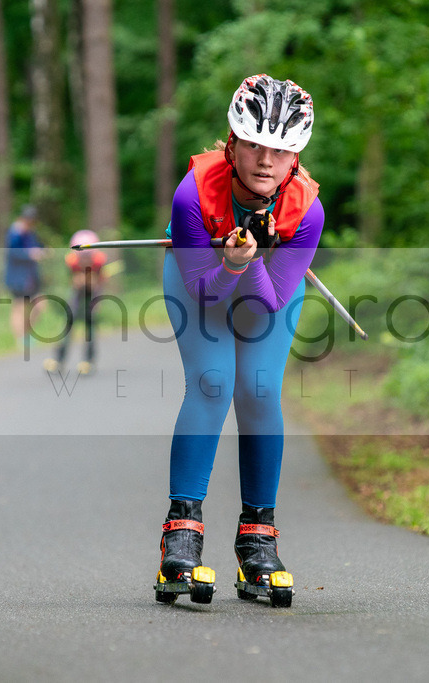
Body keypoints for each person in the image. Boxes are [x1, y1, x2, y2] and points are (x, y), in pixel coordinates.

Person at [155, 74, 322, 606]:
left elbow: (268, 302)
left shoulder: (306, 210)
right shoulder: (193, 193)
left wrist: (254, 257)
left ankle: (258, 539)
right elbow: (205, 293)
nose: (265, 159)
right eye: (254, 143)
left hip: (266, 288)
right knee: (211, 383)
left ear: (296, 156)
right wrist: (233, 260)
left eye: (280, 149)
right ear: (232, 143)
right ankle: (182, 532)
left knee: (257, 390)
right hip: (200, 277)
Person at [43, 230, 108, 375]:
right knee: (68, 325)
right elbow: (73, 281)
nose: (84, 259)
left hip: (92, 294)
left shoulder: (99, 261)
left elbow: (99, 282)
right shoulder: (72, 261)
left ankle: (89, 361)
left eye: (87, 255)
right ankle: (59, 360)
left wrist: (93, 287)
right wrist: (79, 281)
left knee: (90, 327)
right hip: (77, 294)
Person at [4, 205, 45, 343]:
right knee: (19, 307)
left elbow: (37, 246)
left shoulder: (30, 233)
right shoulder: (15, 233)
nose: (30, 223)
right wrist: (30, 255)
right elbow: (12, 253)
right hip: (17, 278)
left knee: (40, 304)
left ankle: (27, 333)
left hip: (30, 277)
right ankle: (20, 339)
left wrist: (42, 251)